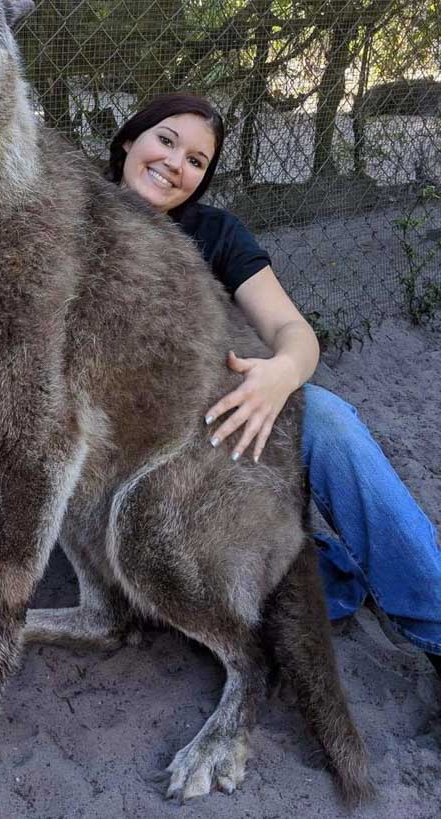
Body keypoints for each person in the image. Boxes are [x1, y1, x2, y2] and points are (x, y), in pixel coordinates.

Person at [107, 91, 441, 671]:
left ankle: (436, 628)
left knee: (328, 419)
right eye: (166, 140)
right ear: (128, 141)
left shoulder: (213, 233)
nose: (175, 163)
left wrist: (280, 375)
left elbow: (293, 329)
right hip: (124, 452)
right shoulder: (70, 221)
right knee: (209, 599)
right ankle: (326, 573)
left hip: (217, 420)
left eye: (196, 160)